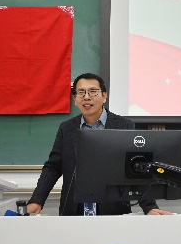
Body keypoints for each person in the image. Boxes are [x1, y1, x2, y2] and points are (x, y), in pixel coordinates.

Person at [27, 73, 171, 216]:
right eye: (81, 92)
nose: (86, 97)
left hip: (113, 211)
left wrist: (149, 207)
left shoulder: (123, 125)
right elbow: (53, 167)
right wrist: (37, 200)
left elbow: (137, 168)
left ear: (104, 96)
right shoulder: (67, 128)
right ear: (75, 99)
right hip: (74, 211)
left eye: (93, 91)